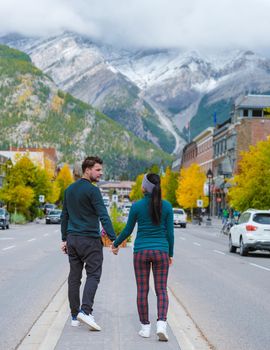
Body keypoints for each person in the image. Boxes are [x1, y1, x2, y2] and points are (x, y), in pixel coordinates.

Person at [111, 173, 174, 341]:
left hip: (141, 252)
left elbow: (128, 230)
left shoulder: (137, 206)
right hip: (161, 251)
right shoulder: (167, 206)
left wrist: (115, 243)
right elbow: (170, 234)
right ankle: (161, 324)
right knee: (161, 290)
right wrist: (171, 254)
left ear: (145, 187)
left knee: (142, 290)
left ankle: (145, 327)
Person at [61, 156, 116, 331]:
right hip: (90, 240)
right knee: (93, 275)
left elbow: (65, 217)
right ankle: (86, 311)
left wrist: (64, 239)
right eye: (98, 170)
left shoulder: (69, 190)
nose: (101, 173)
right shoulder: (93, 191)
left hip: (73, 239)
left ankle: (74, 316)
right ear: (87, 170)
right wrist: (114, 239)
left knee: (74, 277)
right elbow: (103, 215)